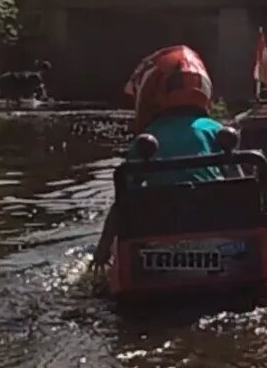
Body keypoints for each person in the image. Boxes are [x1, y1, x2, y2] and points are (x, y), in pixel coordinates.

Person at [91, 45, 228, 269]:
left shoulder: (145, 139)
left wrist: (102, 250)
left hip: (161, 226)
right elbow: (241, 183)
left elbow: (123, 202)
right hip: (217, 224)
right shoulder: (216, 130)